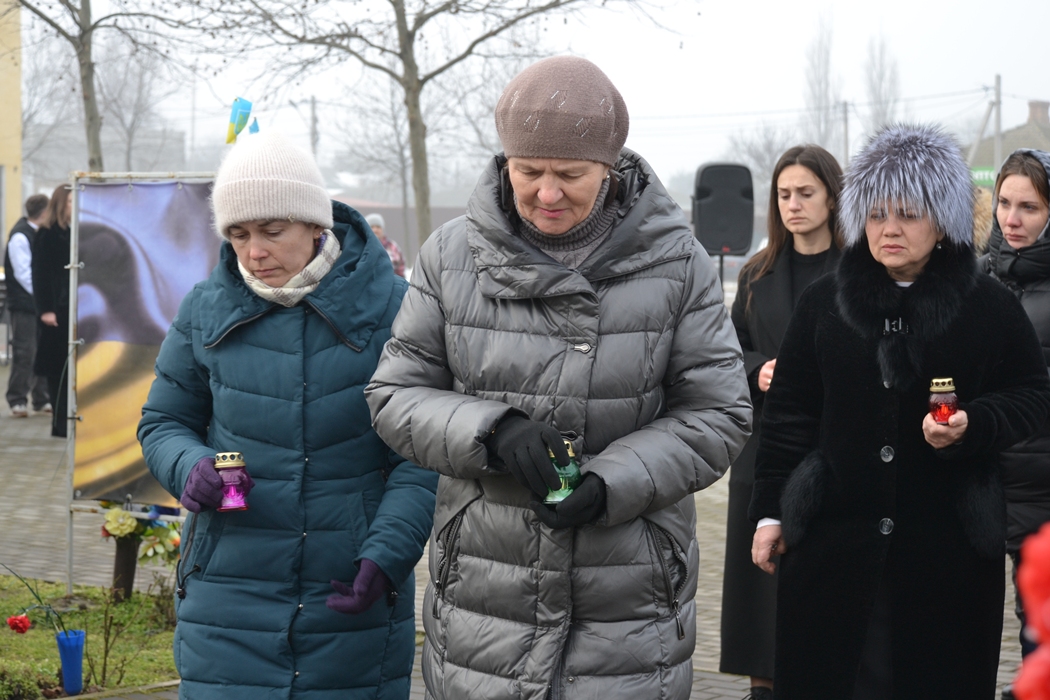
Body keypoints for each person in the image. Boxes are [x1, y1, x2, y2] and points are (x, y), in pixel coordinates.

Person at [365, 56, 752, 700]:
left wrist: (614, 481)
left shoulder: (679, 262)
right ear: (504, 163)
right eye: (528, 172)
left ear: (610, 167)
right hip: (485, 590)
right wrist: (492, 431)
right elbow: (394, 394)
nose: (547, 194)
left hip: (629, 593)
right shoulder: (451, 255)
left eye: (570, 175)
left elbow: (719, 413)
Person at [748, 124, 1050, 699]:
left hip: (948, 553)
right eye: (876, 213)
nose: (889, 229)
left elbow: (1032, 396)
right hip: (834, 545)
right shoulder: (823, 303)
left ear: (943, 220)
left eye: (908, 214)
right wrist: (769, 514)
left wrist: (976, 423)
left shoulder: (987, 305)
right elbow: (789, 415)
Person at [137, 132, 438, 699]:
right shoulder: (204, 308)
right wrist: (191, 465)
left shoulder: (398, 310)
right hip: (227, 594)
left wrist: (387, 553)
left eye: (272, 231)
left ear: (315, 224)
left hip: (351, 592)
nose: (254, 251)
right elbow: (163, 423)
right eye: (238, 234)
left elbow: (422, 454)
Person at [719, 145, 843, 699]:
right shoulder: (756, 272)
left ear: (832, 198)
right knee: (760, 606)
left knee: (826, 598)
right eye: (784, 194)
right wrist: (757, 369)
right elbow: (727, 351)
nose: (793, 204)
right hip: (763, 455)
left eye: (805, 193)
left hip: (834, 453)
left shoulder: (860, 272)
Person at [978, 148, 1050, 700]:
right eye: (1004, 203)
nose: (1012, 218)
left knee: (1039, 632)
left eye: (1029, 207)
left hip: (1042, 493)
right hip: (980, 485)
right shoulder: (975, 278)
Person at [31, 185, 73, 437]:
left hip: (72, 309)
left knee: (70, 368)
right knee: (57, 370)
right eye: (70, 201)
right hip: (56, 311)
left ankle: (68, 422)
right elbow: (39, 274)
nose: (75, 206)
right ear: (61, 204)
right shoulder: (47, 234)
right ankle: (60, 425)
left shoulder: (76, 232)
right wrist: (46, 309)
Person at [5, 193, 51, 417]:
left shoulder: (37, 234)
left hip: (37, 305)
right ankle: (17, 399)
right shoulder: (20, 237)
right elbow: (24, 274)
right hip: (25, 306)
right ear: (44, 213)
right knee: (25, 352)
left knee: (42, 351)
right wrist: (44, 295)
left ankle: (41, 398)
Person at [365, 212, 406, 277]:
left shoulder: (392, 247)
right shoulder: (361, 247)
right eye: (371, 227)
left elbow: (400, 268)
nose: (375, 230)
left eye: (378, 227)